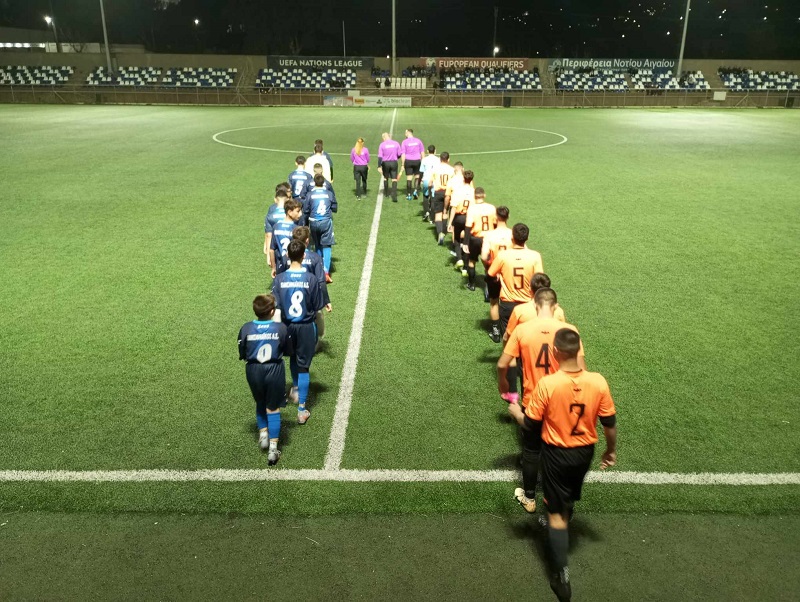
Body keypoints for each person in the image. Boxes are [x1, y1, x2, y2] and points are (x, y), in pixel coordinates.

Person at [508, 328, 617, 602]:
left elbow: (531, 425)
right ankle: (563, 511)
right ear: (579, 350)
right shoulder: (598, 381)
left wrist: (517, 413)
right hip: (585, 453)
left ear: (556, 352)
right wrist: (610, 451)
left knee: (555, 515)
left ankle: (561, 577)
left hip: (557, 454)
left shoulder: (548, 384)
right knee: (567, 498)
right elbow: (609, 423)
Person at [498, 288, 585, 515]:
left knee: (531, 450)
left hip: (533, 398)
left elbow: (503, 364)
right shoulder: (569, 330)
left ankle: (529, 498)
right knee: (558, 449)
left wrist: (504, 388)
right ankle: (557, 499)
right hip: (562, 399)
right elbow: (581, 369)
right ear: (555, 307)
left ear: (535, 305)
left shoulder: (523, 330)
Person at [487, 223, 544, 401]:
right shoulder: (535, 256)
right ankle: (530, 389)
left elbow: (490, 274)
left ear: (512, 237)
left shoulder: (504, 256)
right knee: (528, 345)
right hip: (529, 307)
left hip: (508, 305)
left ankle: (512, 393)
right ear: (527, 238)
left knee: (510, 349)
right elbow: (540, 280)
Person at [272, 239, 325, 424]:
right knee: (303, 366)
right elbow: (317, 309)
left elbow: (276, 309)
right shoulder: (311, 279)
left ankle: (295, 389)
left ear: (287, 255)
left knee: (292, 358)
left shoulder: (279, 279)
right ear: (304, 256)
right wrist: (320, 331)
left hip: (287, 327)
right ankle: (302, 410)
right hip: (305, 327)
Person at [238, 294, 294, 466]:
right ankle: (273, 450)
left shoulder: (246, 328)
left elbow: (242, 352)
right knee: (273, 407)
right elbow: (288, 350)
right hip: (274, 369)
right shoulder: (280, 328)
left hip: (253, 370)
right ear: (271, 312)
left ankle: (263, 434)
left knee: (260, 401)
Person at [481, 206, 513, 342]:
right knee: (509, 300)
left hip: (494, 273)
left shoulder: (489, 235)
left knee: (494, 302)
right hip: (509, 273)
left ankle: (495, 331)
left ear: (496, 217)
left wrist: (489, 268)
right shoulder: (512, 234)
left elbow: (484, 256)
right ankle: (510, 329)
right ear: (508, 217)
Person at [505, 273, 566, 340]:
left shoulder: (519, 310)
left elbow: (508, 335)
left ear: (529, 289)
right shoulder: (558, 311)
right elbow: (563, 336)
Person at [303, 174, 337, 283]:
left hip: (313, 222)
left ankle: (317, 271)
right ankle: (326, 272)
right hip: (326, 221)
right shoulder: (329, 193)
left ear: (314, 182)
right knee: (326, 245)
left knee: (317, 245)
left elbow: (306, 210)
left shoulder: (310, 194)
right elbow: (335, 207)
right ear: (324, 183)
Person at [463, 187, 496, 291]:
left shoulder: (472, 209)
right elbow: (495, 223)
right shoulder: (491, 208)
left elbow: (468, 226)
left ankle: (471, 284)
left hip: (475, 239)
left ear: (474, 196)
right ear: (484, 195)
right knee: (488, 262)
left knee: (472, 261)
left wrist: (465, 243)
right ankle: (488, 287)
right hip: (489, 239)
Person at [446, 168, 475, 272]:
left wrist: (450, 222)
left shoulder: (458, 191)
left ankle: (459, 259)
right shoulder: (474, 192)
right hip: (469, 218)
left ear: (463, 179)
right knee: (467, 241)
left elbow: (453, 207)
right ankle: (466, 268)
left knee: (457, 239)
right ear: (471, 180)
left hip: (459, 217)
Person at [269, 199, 304, 278]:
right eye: (298, 211)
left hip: (280, 264)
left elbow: (271, 250)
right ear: (289, 212)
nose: (301, 214)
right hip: (293, 265)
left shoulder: (276, 226)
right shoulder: (296, 229)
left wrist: (273, 267)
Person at [427, 152, 454, 243]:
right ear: (448, 159)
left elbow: (430, 183)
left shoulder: (435, 169)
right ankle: (444, 231)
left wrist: (430, 191)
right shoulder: (452, 170)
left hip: (438, 192)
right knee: (445, 212)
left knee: (438, 214)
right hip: (448, 193)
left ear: (440, 159)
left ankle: (440, 233)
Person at [264, 187, 289, 271]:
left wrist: (268, 256)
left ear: (275, 200)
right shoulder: (290, 215)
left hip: (277, 249)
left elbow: (269, 236)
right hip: (291, 249)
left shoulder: (270, 216)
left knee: (278, 272)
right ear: (287, 200)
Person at [400, 128, 425, 200]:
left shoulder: (404, 142)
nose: (405, 134)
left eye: (405, 133)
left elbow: (403, 154)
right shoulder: (418, 141)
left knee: (409, 178)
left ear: (408, 133)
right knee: (417, 177)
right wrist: (423, 162)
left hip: (408, 161)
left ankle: (409, 195)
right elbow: (422, 152)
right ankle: (415, 191)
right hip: (417, 161)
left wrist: (402, 164)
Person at [377, 132, 402, 202]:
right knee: (394, 179)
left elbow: (380, 156)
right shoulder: (396, 143)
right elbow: (399, 154)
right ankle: (394, 195)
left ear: (384, 137)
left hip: (385, 163)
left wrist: (379, 166)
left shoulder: (382, 145)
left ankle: (386, 193)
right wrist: (395, 157)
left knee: (386, 178)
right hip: (394, 162)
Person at [419, 144, 439, 222]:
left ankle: (426, 212)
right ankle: (432, 217)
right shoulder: (438, 160)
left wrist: (419, 181)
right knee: (433, 198)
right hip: (435, 181)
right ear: (435, 151)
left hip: (426, 180)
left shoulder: (424, 160)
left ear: (427, 151)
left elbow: (421, 172)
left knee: (425, 196)